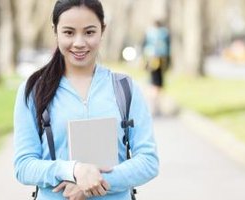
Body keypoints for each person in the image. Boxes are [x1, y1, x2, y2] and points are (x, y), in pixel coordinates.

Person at [13, 0, 159, 200]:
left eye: (89, 32)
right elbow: (24, 166)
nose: (79, 43)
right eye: (69, 32)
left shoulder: (125, 88)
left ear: (102, 30)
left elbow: (148, 161)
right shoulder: (33, 90)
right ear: (55, 31)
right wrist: (73, 171)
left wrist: (94, 182)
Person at [142, 20, 170, 116]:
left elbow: (144, 45)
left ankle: (153, 103)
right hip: (161, 59)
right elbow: (168, 48)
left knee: (152, 80)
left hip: (151, 59)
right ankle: (155, 104)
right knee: (158, 82)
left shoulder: (149, 33)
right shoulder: (165, 34)